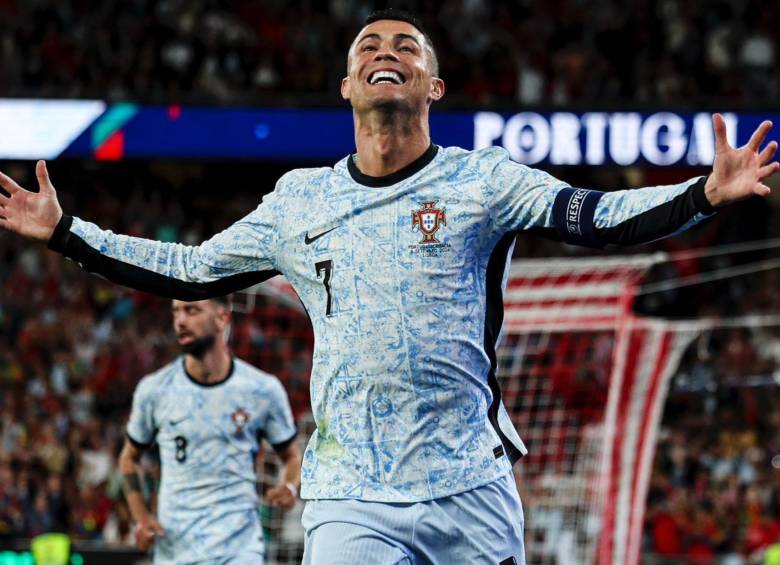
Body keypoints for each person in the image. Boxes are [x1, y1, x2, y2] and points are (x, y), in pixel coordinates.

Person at [0, 8, 778, 565]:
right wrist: (69, 232)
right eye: (370, 43)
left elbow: (596, 215)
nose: (388, 49)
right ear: (347, 85)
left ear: (432, 87)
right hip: (351, 493)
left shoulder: (484, 180)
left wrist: (698, 194)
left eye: (408, 45)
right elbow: (192, 267)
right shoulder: (298, 201)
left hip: (469, 480)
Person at [117, 296, 301, 564]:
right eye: (176, 311)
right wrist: (141, 518)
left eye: (192, 310)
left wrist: (289, 486)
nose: (180, 321)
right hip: (175, 550)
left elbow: (292, 455)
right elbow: (128, 459)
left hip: (240, 549)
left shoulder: (262, 390)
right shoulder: (155, 390)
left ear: (222, 318)